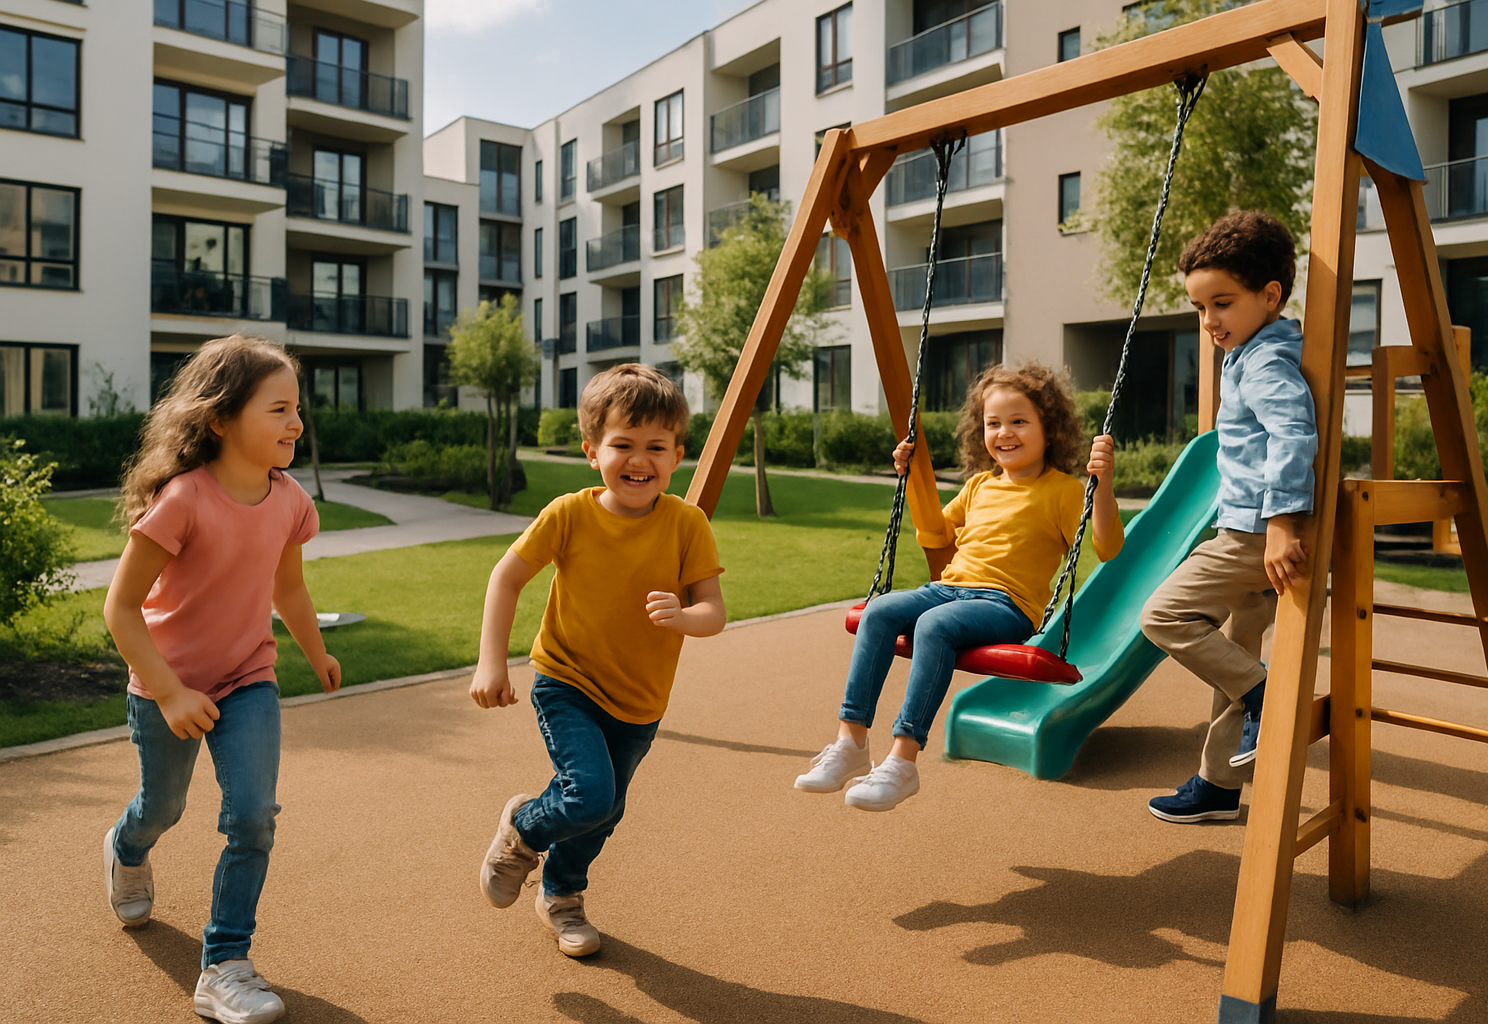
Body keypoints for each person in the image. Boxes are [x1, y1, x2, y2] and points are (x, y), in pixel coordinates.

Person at [102, 336, 341, 1024]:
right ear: (220, 419)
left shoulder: (290, 499)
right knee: (163, 808)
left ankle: (225, 963)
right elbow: (120, 609)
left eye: (298, 408)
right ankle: (126, 847)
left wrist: (316, 652)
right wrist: (171, 691)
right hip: (166, 687)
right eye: (279, 409)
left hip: (247, 680)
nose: (296, 423)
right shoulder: (183, 499)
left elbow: (290, 591)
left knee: (253, 817)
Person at [471, 363, 725, 958]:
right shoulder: (569, 514)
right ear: (592, 451)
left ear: (677, 455)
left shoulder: (686, 525)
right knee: (587, 795)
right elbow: (506, 578)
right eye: (623, 445)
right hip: (567, 680)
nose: (640, 460)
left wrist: (685, 617)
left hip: (640, 700)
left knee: (605, 809)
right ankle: (523, 831)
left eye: (656, 447)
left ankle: (560, 894)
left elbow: (713, 611)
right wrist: (491, 663)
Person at [795, 362, 1124, 811]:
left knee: (934, 626)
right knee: (878, 610)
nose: (1004, 432)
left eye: (1019, 421)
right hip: (950, 589)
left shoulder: (1065, 491)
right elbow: (934, 535)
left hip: (1008, 605)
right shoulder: (978, 487)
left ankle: (902, 761)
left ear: (1051, 429)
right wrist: (914, 480)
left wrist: (1101, 486)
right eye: (993, 423)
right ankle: (851, 743)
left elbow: (1107, 548)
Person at [1142, 210, 1317, 823]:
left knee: (1163, 615)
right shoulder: (1253, 348)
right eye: (1199, 307)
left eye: (1222, 303)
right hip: (1248, 528)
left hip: (1254, 535)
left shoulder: (1266, 361)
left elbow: (1292, 434)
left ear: (1269, 296)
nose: (1209, 321)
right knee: (1233, 658)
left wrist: (1282, 524)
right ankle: (1217, 785)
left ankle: (1269, 697)